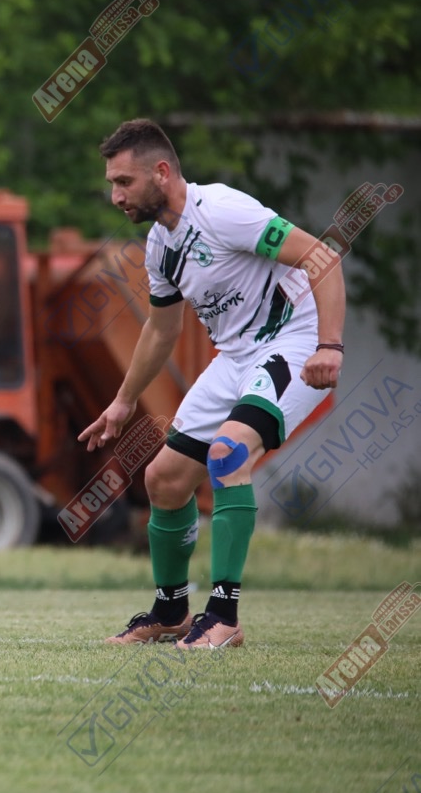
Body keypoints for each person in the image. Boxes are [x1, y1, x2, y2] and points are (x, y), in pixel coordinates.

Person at [80, 118, 344, 649]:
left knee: (227, 453)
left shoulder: (222, 210)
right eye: (112, 184)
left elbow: (322, 256)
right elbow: (162, 329)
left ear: (161, 172)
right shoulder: (160, 245)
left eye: (124, 182)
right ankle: (172, 612)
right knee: (164, 479)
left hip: (292, 341)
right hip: (236, 356)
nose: (116, 196)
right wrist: (123, 401)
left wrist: (329, 345)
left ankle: (224, 617)